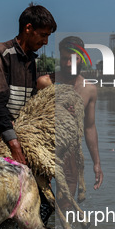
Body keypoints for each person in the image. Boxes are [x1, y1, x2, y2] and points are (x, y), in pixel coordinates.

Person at [0, 3, 57, 164]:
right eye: (43, 35)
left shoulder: (31, 60)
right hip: (6, 135)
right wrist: (14, 143)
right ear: (28, 28)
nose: (46, 41)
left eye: (48, 36)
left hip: (24, 132)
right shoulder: (1, 53)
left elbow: (33, 99)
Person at [37, 36, 104, 197]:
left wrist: (97, 163)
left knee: (66, 200)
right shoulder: (45, 83)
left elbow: (89, 127)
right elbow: (31, 118)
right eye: (64, 59)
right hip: (42, 149)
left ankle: (65, 219)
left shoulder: (89, 90)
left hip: (69, 151)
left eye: (72, 59)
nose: (68, 64)